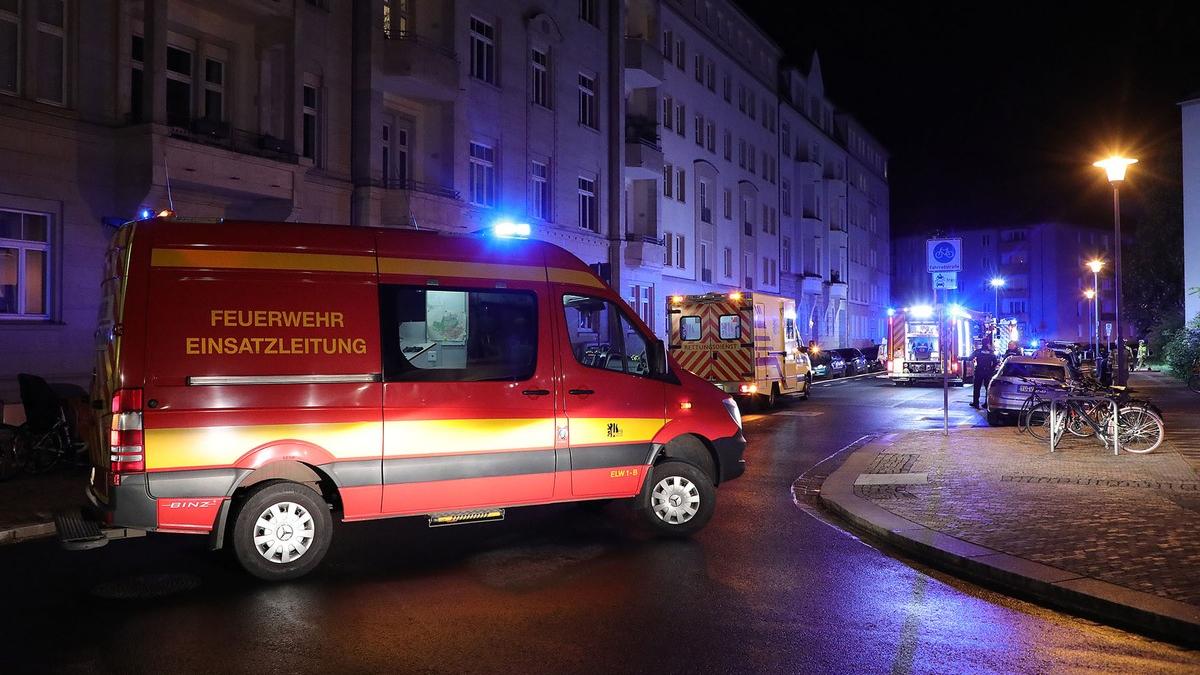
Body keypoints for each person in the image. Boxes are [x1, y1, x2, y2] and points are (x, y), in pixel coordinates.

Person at [969, 340, 998, 408]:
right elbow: (995, 363)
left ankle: (976, 402)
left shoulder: (978, 351)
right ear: (988, 344)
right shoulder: (991, 353)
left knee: (977, 387)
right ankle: (986, 403)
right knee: (987, 388)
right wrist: (991, 369)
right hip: (987, 372)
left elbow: (970, 358)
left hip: (979, 371)